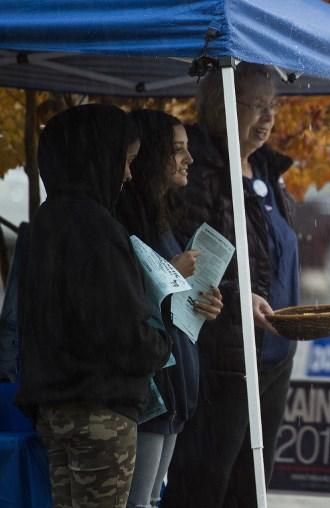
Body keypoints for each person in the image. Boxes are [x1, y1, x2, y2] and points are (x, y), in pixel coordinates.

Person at [15, 104, 172, 507]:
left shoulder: (44, 222)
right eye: (126, 161)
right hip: (101, 411)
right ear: (100, 156)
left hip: (53, 409)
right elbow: (121, 332)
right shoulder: (98, 229)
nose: (127, 174)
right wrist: (163, 342)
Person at [163, 63, 298, 507]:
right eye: (256, 106)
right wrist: (240, 298)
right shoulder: (199, 170)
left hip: (272, 352)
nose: (268, 118)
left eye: (271, 106)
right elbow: (187, 261)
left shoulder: (263, 168)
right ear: (221, 105)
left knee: (252, 484)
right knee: (206, 481)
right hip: (224, 352)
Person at [115, 109, 224, 508]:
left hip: (174, 391)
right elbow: (125, 299)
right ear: (152, 155)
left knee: (151, 500)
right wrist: (171, 273)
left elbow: (170, 301)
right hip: (150, 390)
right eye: (177, 150)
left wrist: (203, 303)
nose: (188, 159)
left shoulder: (163, 217)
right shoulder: (124, 218)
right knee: (137, 502)